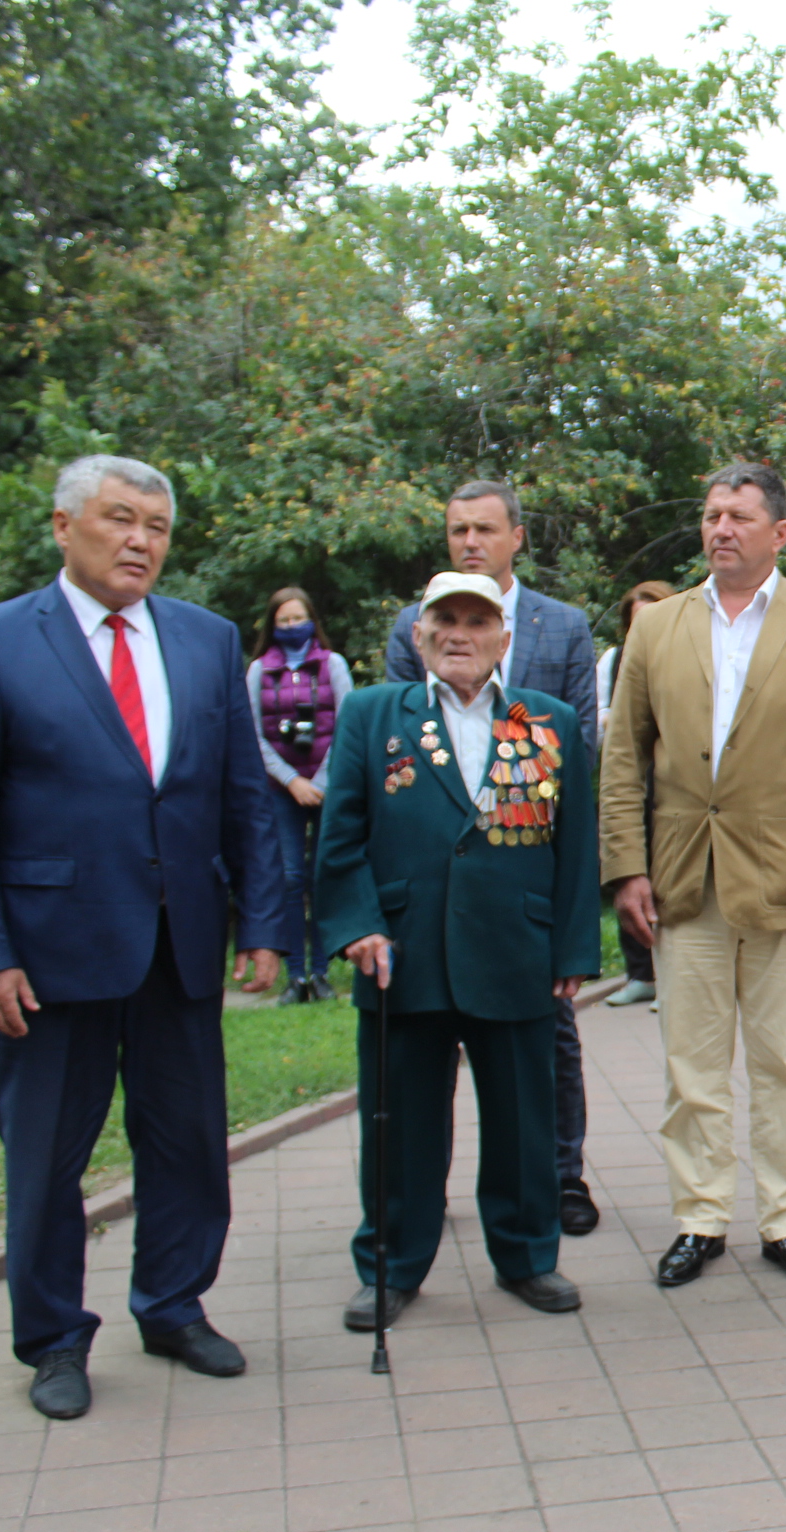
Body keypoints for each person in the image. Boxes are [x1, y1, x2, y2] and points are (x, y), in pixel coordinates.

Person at [0, 454, 285, 1420]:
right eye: (120, 519)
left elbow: (242, 793)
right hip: (49, 954)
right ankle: (53, 1339)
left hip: (180, 945)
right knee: (47, 1156)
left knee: (187, 1142)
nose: (140, 541)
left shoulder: (207, 640)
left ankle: (173, 1306)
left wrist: (262, 918)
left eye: (157, 527)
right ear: (64, 526)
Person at [602, 464, 786, 1290]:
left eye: (739, 516)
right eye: (712, 514)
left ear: (779, 534)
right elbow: (623, 760)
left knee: (783, 1064)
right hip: (682, 880)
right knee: (691, 1067)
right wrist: (626, 867)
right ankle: (700, 1218)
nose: (720, 528)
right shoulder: (658, 628)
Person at [319, 571, 601, 1331]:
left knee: (524, 1121)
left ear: (503, 638)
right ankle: (391, 1266)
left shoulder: (546, 721)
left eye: (478, 622)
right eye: (444, 620)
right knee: (401, 1127)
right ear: (418, 634)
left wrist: (573, 947)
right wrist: (357, 925)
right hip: (402, 953)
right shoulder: (372, 714)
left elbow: (575, 844)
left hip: (517, 949)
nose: (459, 635)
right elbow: (339, 836)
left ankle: (528, 1257)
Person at [384, 481, 606, 1237]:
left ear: (517, 537)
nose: (470, 541)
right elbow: (400, 745)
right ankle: (425, 1194)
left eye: (484, 528)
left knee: (549, 1044)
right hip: (435, 885)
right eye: (457, 530)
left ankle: (559, 1177)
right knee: (426, 1049)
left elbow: (578, 746)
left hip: (523, 878)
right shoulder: (414, 623)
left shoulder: (561, 624)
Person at [248, 587, 353, 1005]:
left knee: (322, 876)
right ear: (273, 625)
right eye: (284, 620)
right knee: (290, 878)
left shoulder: (333, 664)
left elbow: (348, 723)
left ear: (312, 620)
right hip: (281, 789)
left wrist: (322, 781)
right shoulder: (258, 670)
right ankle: (295, 976)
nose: (292, 626)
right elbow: (252, 734)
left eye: (298, 618)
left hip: (328, 787)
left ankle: (322, 971)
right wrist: (291, 780)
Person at [595, 579, 675, 1009]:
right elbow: (600, 718)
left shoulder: (688, 655)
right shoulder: (613, 661)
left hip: (676, 785)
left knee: (671, 877)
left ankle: (672, 977)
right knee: (627, 870)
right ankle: (640, 974)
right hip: (631, 783)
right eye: (634, 622)